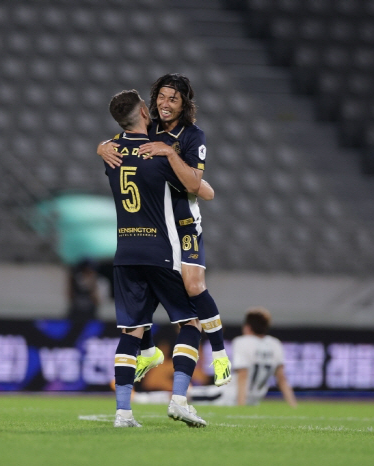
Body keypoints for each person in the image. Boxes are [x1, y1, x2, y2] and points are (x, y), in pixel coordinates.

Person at [98, 74, 231, 387]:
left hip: (184, 223)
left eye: (173, 98)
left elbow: (197, 186)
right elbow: (120, 142)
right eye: (161, 96)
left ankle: (221, 355)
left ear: (184, 103)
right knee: (150, 293)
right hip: (157, 228)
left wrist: (171, 154)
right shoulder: (149, 127)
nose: (165, 103)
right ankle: (148, 352)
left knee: (194, 284)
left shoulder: (193, 136)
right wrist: (101, 147)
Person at [105, 89, 207, 428]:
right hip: (160, 250)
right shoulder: (158, 153)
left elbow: (114, 143)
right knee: (190, 322)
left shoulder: (111, 152)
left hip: (124, 252)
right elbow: (196, 187)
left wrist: (102, 144)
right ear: (145, 114)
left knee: (132, 330)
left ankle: (122, 413)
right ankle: (179, 399)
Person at [191, 307, 297, 407]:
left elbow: (243, 375)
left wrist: (241, 405)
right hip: (254, 400)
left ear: (248, 327)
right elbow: (281, 379)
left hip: (231, 396)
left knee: (185, 394)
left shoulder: (243, 342)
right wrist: (293, 405)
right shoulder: (275, 344)